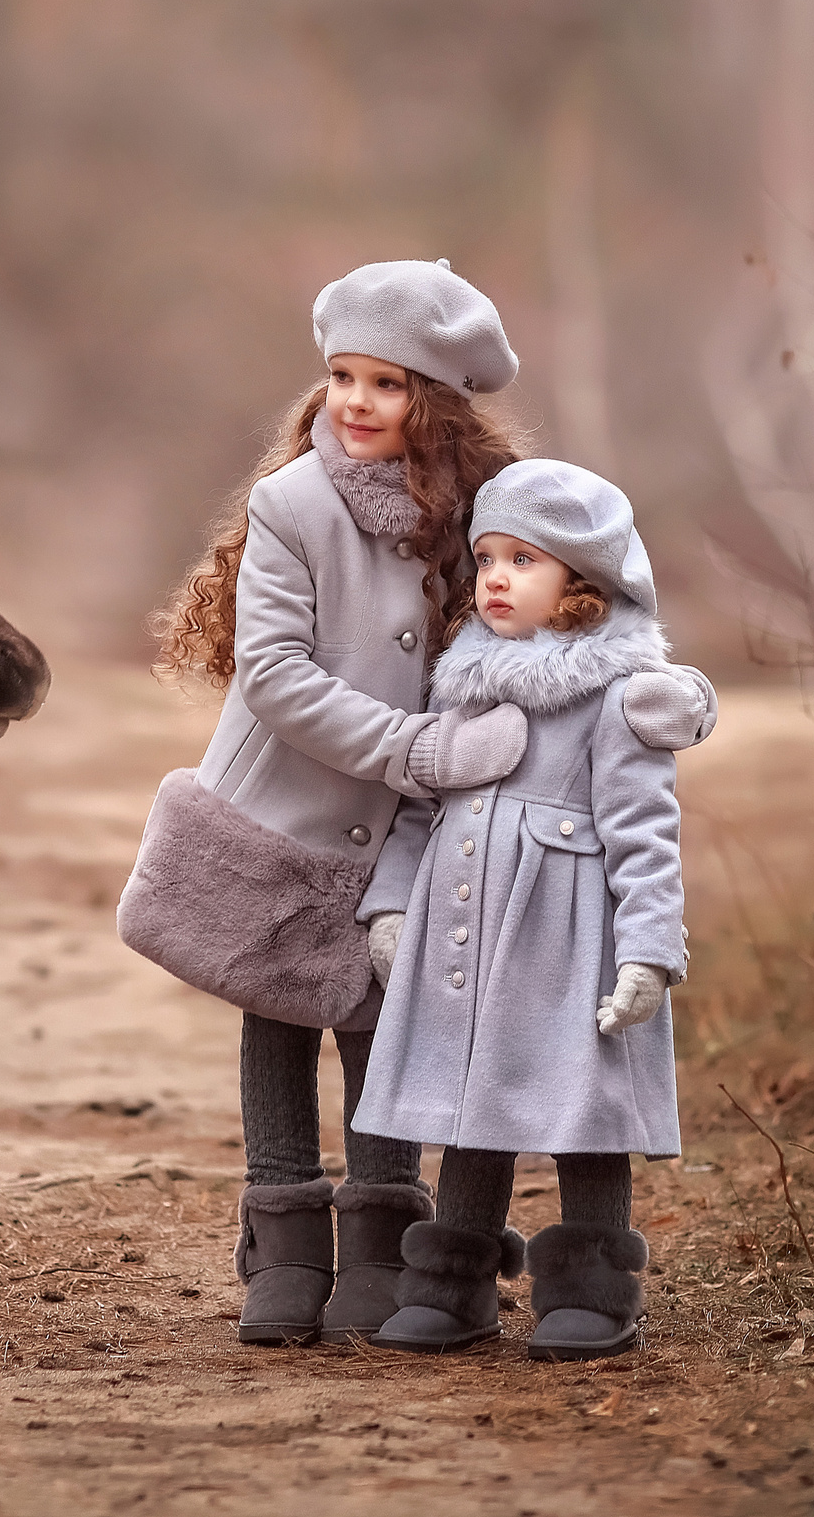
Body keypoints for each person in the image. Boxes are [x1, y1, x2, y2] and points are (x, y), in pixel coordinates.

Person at [120, 260, 714, 1348]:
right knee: (279, 1005)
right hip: (296, 797)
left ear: (431, 403)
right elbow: (276, 674)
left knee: (384, 1016)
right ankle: (284, 1250)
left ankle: (386, 1246)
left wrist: (674, 696)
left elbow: (580, 616)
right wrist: (424, 748)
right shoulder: (289, 501)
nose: (353, 401)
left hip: (426, 823)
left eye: (384, 383)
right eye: (340, 375)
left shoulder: (481, 508)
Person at [355, 460, 689, 1362]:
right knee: (474, 1099)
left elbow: (646, 836)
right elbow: (420, 810)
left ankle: (590, 1287)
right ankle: (451, 1282)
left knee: (585, 1103)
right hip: (465, 938)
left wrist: (649, 953)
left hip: (570, 938)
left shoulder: (620, 697)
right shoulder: (459, 683)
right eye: (487, 557)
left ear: (581, 582)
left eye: (524, 560)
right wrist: (390, 908)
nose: (495, 576)